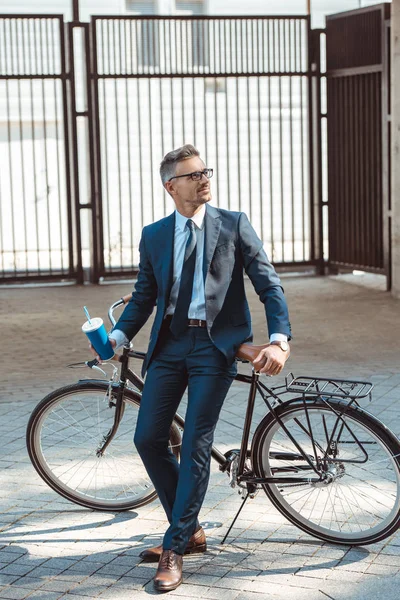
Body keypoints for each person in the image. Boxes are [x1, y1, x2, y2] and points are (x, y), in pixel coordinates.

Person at [90, 144, 292, 592]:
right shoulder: (155, 234)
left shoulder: (233, 224)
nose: (204, 179)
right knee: (147, 438)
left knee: (197, 440)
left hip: (215, 347)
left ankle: (176, 546)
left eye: (206, 171)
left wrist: (279, 339)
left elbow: (268, 284)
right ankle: (190, 526)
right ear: (171, 186)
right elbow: (144, 295)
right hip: (170, 345)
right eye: (193, 174)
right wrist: (119, 336)